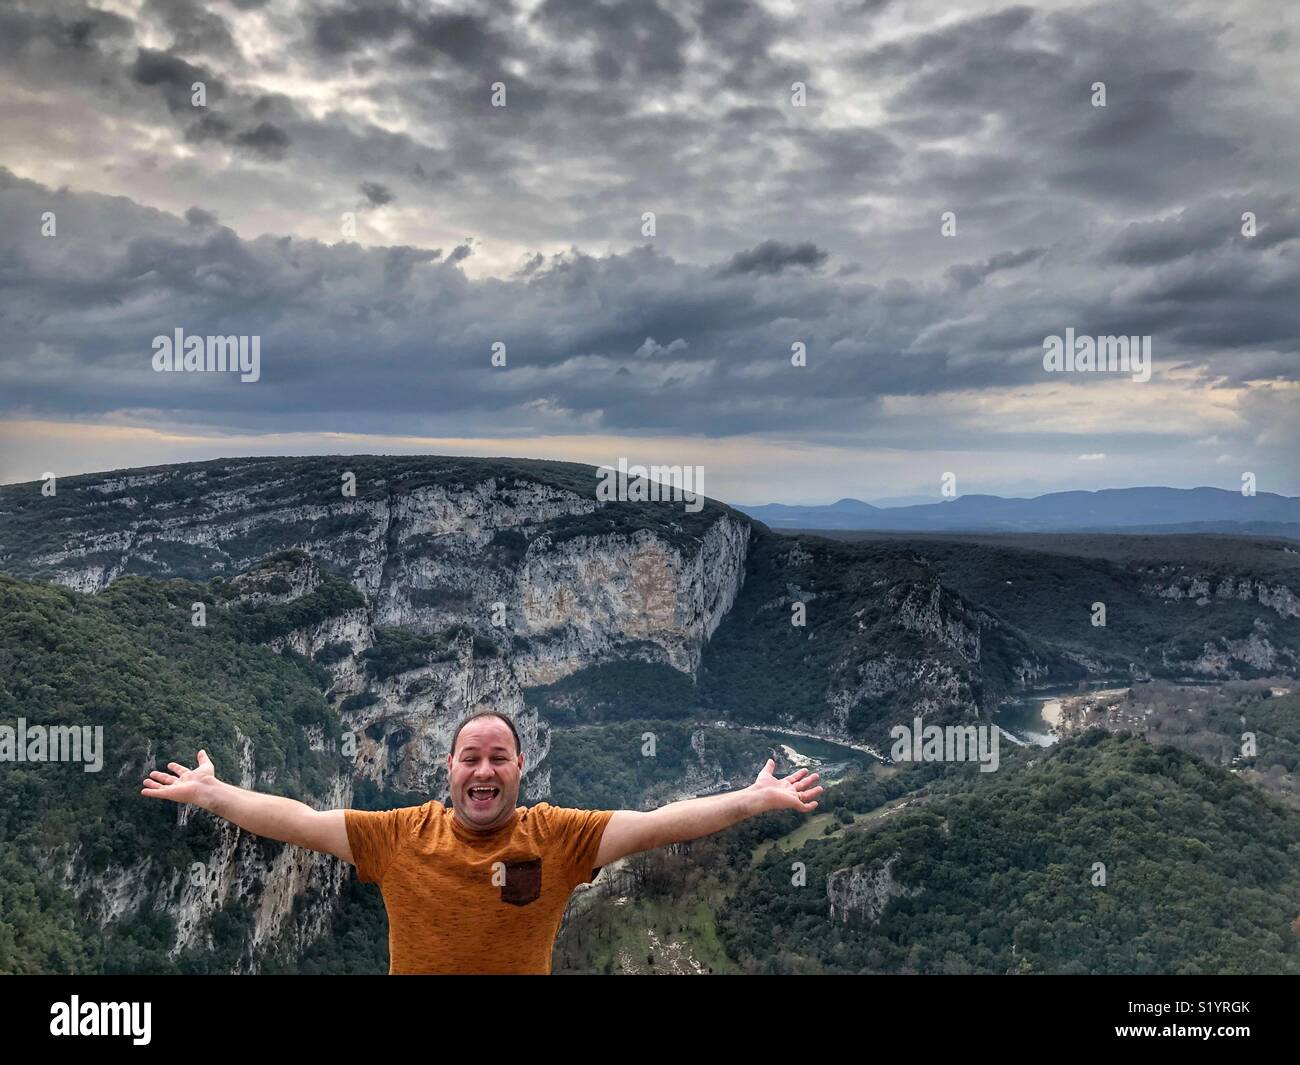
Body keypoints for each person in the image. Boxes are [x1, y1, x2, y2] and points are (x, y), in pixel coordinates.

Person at [141, 709, 822, 974]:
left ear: (521, 768)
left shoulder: (560, 836)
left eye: (500, 756)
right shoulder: (399, 835)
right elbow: (296, 819)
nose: (485, 769)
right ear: (450, 769)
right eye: (471, 756)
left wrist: (755, 798)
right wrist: (211, 793)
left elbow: (661, 822)